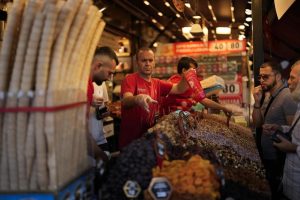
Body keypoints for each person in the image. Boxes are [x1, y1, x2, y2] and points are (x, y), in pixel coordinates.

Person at [119, 47, 193, 149]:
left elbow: (179, 89)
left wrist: (187, 76)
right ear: (137, 62)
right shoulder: (130, 79)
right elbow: (126, 100)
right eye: (143, 60)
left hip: (149, 139)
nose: (147, 63)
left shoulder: (157, 83)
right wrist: (137, 99)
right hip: (131, 141)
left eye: (150, 60)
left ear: (154, 63)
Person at [252, 61, 297, 199]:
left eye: (266, 77)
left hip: (279, 159)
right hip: (267, 155)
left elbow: (293, 130)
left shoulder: (287, 96)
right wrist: (257, 102)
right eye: (260, 77)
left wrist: (279, 131)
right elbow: (258, 123)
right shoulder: (267, 95)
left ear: (277, 77)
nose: (261, 81)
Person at [263, 60, 300, 200]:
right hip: (290, 182)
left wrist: (292, 148)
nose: (288, 82)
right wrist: (279, 128)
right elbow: (295, 130)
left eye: (292, 78)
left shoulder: (287, 97)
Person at [163, 56, 232, 115]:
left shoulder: (187, 80)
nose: (194, 72)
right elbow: (204, 101)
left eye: (195, 70)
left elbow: (201, 99)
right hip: (173, 118)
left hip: (183, 115)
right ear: (184, 70)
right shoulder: (176, 82)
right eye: (192, 70)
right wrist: (223, 108)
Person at [87, 46, 119, 162]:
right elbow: (79, 131)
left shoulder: (90, 84)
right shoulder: (84, 86)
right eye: (109, 73)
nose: (110, 79)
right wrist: (101, 155)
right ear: (98, 66)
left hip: (97, 139)